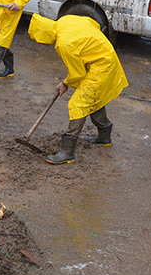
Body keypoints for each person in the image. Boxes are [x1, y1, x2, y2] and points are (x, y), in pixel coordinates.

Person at [28, 14, 128, 164]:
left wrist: (65, 83)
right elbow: (92, 22)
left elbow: (77, 74)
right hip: (102, 56)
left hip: (102, 66)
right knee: (91, 97)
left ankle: (67, 152)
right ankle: (104, 136)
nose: (42, 44)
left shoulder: (63, 44)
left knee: (78, 103)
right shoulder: (65, 20)